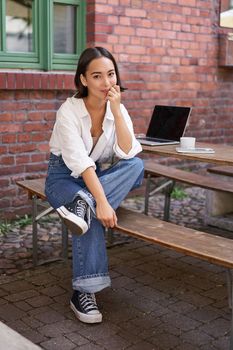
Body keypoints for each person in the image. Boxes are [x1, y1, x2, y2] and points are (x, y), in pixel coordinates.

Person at [45, 47, 144, 324]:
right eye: (97, 76)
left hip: (95, 178)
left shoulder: (118, 108)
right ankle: (84, 292)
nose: (107, 83)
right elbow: (78, 161)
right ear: (84, 80)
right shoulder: (69, 110)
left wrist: (116, 110)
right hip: (63, 178)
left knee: (136, 167)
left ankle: (83, 204)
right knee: (89, 216)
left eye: (111, 74)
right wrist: (99, 201)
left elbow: (127, 152)